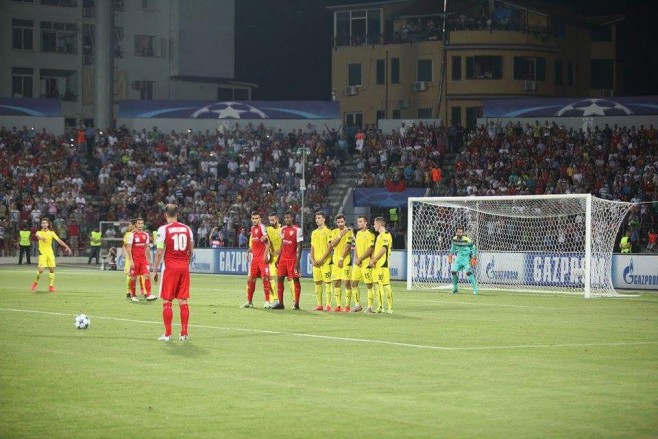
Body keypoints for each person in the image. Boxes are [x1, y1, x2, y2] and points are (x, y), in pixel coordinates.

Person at [152, 204, 194, 342]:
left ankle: (168, 334)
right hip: (184, 267)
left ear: (165, 214)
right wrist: (186, 263)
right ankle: (184, 333)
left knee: (167, 300)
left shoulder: (163, 230)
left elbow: (159, 251)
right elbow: (191, 250)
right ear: (177, 214)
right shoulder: (187, 229)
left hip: (170, 268)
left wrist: (155, 269)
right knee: (183, 300)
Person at [271, 211, 303, 310]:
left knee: (295, 280)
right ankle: (281, 303)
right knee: (279, 279)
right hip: (283, 259)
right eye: (285, 218)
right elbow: (282, 245)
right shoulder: (283, 229)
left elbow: (299, 247)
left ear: (292, 218)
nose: (286, 219)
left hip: (292, 259)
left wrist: (297, 262)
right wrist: (278, 258)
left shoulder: (297, 230)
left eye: (288, 217)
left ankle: (296, 303)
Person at [240, 212, 272, 309]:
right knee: (251, 280)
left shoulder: (262, 227)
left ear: (260, 219)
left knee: (265, 279)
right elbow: (255, 242)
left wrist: (265, 255)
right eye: (253, 218)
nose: (255, 220)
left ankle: (267, 302)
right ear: (251, 219)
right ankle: (249, 301)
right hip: (255, 258)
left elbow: (267, 241)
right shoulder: (252, 229)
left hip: (262, 258)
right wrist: (249, 250)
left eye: (256, 218)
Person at [31, 217, 72, 292]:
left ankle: (51, 286)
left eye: (45, 223)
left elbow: (59, 240)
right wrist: (41, 238)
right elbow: (37, 235)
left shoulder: (52, 233)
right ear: (41, 224)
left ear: (48, 224)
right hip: (42, 253)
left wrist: (66, 246)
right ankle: (35, 282)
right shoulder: (39, 232)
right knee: (41, 270)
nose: (44, 224)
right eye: (43, 223)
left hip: (50, 253)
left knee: (52, 269)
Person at [266, 213, 294, 305]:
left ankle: (295, 300)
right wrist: (268, 253)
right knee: (270, 277)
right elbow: (267, 242)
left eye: (273, 220)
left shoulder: (283, 229)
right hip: (273, 258)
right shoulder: (268, 229)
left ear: (277, 219)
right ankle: (275, 299)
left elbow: (285, 244)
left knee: (289, 278)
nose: (271, 222)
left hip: (283, 257)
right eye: (270, 220)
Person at [126, 217, 157, 302]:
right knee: (133, 277)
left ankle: (148, 295)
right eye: (138, 223)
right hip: (135, 259)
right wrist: (131, 260)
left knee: (147, 275)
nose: (140, 225)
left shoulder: (146, 234)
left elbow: (147, 247)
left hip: (143, 260)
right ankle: (133, 295)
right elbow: (128, 248)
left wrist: (149, 259)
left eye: (141, 223)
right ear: (135, 224)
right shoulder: (132, 235)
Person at [349, 215, 375, 313]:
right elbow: (356, 247)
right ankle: (357, 305)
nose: (358, 223)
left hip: (366, 263)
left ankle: (369, 307)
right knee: (353, 283)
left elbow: (370, 249)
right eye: (358, 222)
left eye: (360, 221)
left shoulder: (370, 234)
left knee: (369, 285)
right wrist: (356, 259)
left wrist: (359, 259)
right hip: (358, 263)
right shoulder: (358, 234)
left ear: (365, 223)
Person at [368, 217, 393, 313]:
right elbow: (377, 249)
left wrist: (374, 260)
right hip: (377, 265)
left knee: (386, 285)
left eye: (374, 224)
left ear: (379, 224)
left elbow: (384, 249)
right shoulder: (378, 236)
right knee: (378, 285)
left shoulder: (386, 235)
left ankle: (390, 308)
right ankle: (380, 307)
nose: (374, 226)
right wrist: (373, 261)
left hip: (383, 264)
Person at [329, 214, 354, 312]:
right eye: (338, 222)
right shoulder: (334, 232)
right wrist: (340, 235)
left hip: (345, 261)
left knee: (347, 283)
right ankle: (338, 305)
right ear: (336, 222)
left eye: (342, 222)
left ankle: (347, 305)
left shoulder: (349, 232)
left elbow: (348, 246)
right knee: (336, 282)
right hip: (335, 261)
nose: (340, 224)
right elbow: (332, 245)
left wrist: (341, 258)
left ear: (345, 221)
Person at [310, 211, 333, 311]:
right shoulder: (314, 232)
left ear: (324, 219)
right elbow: (312, 247)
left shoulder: (328, 232)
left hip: (325, 262)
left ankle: (328, 305)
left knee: (328, 282)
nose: (317, 220)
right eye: (316, 218)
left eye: (319, 218)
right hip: (316, 262)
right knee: (317, 282)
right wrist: (312, 259)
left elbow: (329, 247)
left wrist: (322, 259)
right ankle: (319, 304)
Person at [448, 226, 479, 295]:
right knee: (453, 271)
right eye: (458, 232)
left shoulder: (467, 240)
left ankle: (475, 289)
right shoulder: (454, 239)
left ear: (463, 233)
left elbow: (473, 248)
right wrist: (450, 256)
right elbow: (453, 248)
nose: (459, 233)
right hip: (459, 258)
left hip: (466, 258)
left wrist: (474, 257)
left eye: (460, 232)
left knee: (468, 272)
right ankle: (455, 288)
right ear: (456, 232)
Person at [122, 220, 135, 298]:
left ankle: (144, 291)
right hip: (130, 257)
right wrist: (123, 252)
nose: (128, 226)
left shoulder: (138, 234)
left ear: (134, 225)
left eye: (129, 224)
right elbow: (124, 244)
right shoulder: (128, 234)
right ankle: (128, 291)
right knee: (129, 274)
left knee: (141, 275)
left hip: (138, 256)